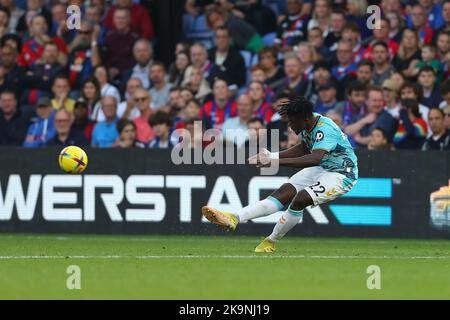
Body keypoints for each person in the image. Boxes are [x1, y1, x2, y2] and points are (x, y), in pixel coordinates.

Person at [202, 96, 358, 253]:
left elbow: (314, 158)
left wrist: (274, 162)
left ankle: (270, 241)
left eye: (292, 122)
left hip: (341, 174)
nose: (290, 126)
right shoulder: (308, 123)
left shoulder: (325, 129)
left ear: (304, 119)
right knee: (284, 193)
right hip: (323, 167)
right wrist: (272, 156)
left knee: (300, 199)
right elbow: (303, 148)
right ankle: (234, 217)